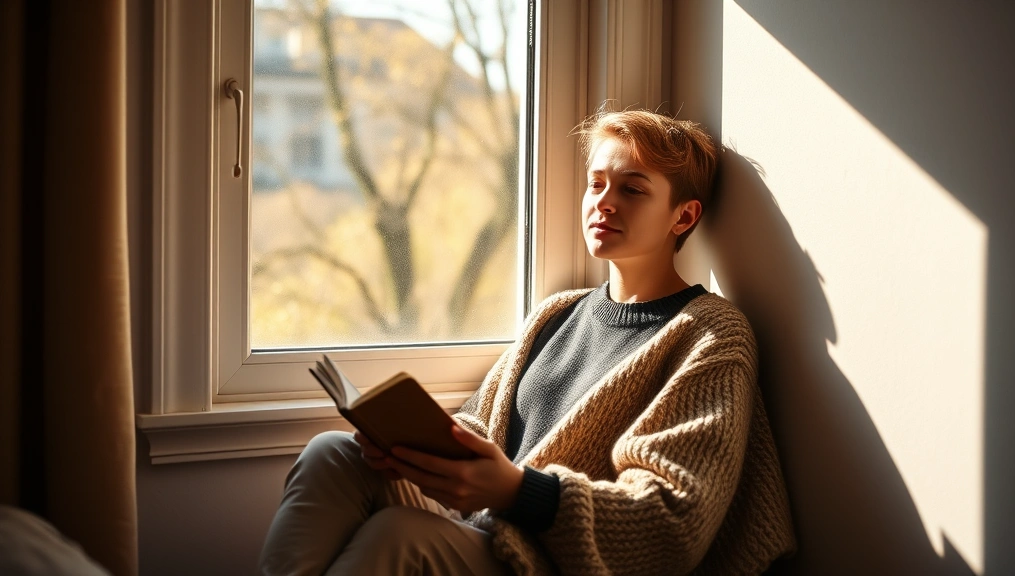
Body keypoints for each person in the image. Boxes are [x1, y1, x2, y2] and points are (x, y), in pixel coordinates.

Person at [258, 109, 796, 575]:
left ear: (684, 215)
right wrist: (407, 450)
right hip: (484, 530)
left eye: (632, 188)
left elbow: (672, 521)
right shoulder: (557, 313)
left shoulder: (710, 334)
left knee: (396, 534)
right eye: (596, 183)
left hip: (548, 559)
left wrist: (519, 492)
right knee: (333, 452)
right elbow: (479, 426)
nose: (604, 203)